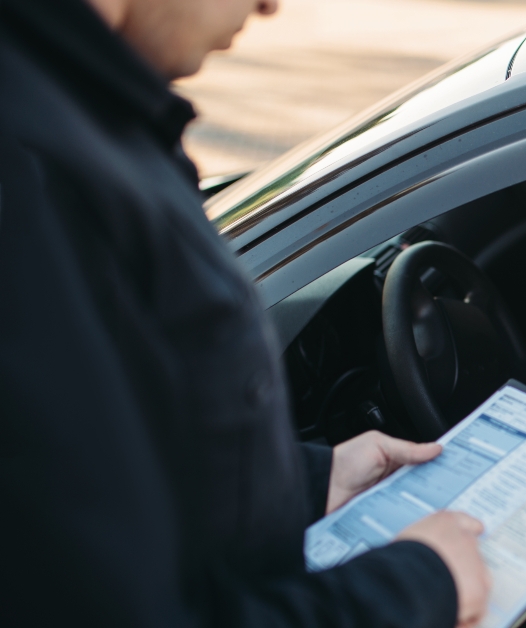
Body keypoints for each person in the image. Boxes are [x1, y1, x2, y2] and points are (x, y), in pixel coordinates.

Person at [0, 1, 488, 627]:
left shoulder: (76, 116)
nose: (269, 5)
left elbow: (128, 454)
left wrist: (309, 483)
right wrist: (418, 587)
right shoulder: (34, 169)